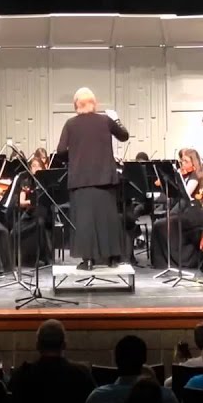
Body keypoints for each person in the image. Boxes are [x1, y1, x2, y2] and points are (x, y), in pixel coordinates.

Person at [56, 87, 131, 270]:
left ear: (76, 106)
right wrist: (116, 118)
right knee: (108, 219)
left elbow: (60, 151)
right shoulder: (105, 120)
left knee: (84, 220)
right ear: (94, 104)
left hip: (81, 180)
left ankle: (88, 260)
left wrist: (74, 159)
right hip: (105, 177)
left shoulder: (70, 124)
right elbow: (124, 136)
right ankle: (112, 259)